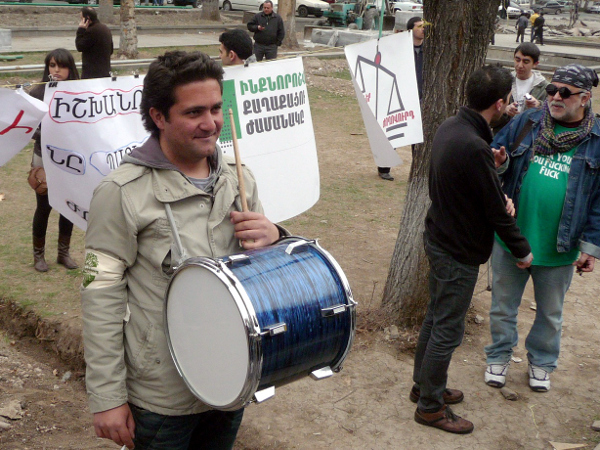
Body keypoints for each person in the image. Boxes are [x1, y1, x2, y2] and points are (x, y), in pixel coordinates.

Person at [81, 51, 285, 450]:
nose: (210, 123)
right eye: (194, 112)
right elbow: (99, 295)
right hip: (163, 398)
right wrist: (107, 398)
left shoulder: (240, 180)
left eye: (215, 108)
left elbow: (261, 277)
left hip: (232, 378)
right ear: (159, 116)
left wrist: (275, 237)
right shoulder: (121, 193)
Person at [412, 65, 532, 435]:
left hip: (440, 238)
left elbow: (468, 187)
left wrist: (491, 175)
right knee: (447, 329)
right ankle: (430, 407)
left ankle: (423, 386)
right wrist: (522, 250)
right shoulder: (474, 145)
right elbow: (495, 211)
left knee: (435, 317)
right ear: (500, 103)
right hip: (457, 250)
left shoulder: (452, 127)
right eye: (507, 101)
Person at [485, 64, 600, 393]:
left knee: (550, 313)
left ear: (585, 98)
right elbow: (496, 157)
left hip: (559, 247)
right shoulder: (527, 122)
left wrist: (591, 247)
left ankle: (542, 362)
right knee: (502, 306)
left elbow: (598, 201)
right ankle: (498, 355)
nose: (555, 97)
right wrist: (499, 164)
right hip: (512, 237)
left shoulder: (597, 140)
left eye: (565, 92)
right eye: (552, 90)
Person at [29, 48, 80, 272]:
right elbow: (28, 129)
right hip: (44, 156)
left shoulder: (81, 93)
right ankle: (38, 255)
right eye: (52, 65)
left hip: (71, 158)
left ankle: (63, 253)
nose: (56, 70)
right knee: (44, 206)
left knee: (68, 205)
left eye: (61, 65)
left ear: (70, 68)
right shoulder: (38, 92)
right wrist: (46, 133)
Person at [378, 16, 425, 181]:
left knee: (419, 138)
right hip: (401, 97)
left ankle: (418, 171)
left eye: (424, 26)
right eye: (419, 26)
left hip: (421, 98)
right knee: (395, 133)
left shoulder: (429, 51)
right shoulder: (401, 50)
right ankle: (383, 168)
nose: (423, 29)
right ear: (410, 30)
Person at [491, 42, 549, 134]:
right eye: (517, 60)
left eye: (526, 62)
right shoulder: (503, 81)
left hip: (529, 139)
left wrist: (538, 106)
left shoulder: (544, 87)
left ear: (535, 64)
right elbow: (490, 119)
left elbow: (550, 119)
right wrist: (504, 110)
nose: (520, 65)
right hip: (502, 137)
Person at [75, 7, 113, 79]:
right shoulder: (105, 28)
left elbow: (79, 46)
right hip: (105, 71)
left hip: (92, 73)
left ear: (87, 18)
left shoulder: (91, 31)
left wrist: (81, 30)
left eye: (82, 18)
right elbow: (111, 50)